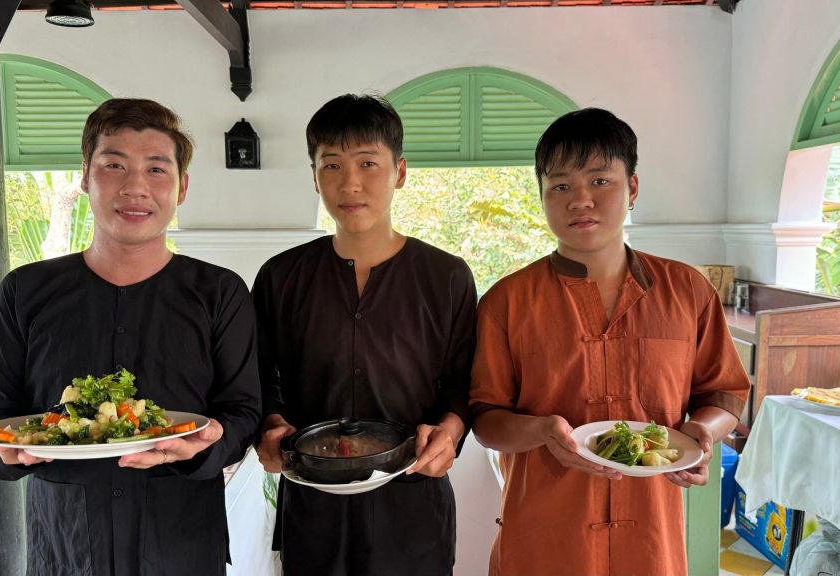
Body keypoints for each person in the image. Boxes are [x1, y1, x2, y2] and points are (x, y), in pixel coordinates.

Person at [0, 98, 261, 576]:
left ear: (182, 187)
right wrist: (7, 453)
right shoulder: (25, 291)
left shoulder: (219, 292)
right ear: (86, 177)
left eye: (156, 169)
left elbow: (243, 412)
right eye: (114, 165)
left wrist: (206, 444)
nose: (135, 187)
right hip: (65, 547)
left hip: (182, 543)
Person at [469, 108, 750, 576]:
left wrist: (703, 432)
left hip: (651, 543)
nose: (581, 200)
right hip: (544, 539)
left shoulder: (687, 291)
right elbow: (485, 420)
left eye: (600, 181)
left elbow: (724, 393)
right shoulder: (507, 301)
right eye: (561, 186)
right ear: (542, 196)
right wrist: (542, 432)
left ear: (632, 188)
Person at [253, 94, 476, 576]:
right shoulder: (281, 276)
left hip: (412, 506)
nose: (350, 182)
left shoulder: (446, 276)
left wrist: (450, 431)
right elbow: (260, 377)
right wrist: (270, 425)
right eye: (331, 164)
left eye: (368, 163)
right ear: (314, 176)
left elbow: (462, 384)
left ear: (400, 171)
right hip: (314, 505)